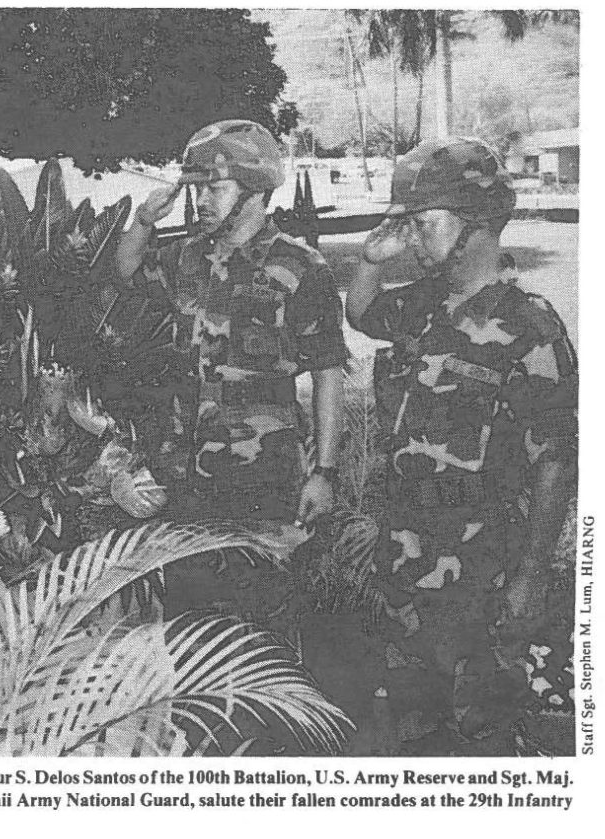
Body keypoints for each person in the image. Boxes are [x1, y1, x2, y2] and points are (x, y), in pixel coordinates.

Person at [346, 138, 578, 750]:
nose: (413, 238)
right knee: (412, 729)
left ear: (474, 224)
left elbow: (555, 462)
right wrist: (371, 258)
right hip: (403, 564)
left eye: (424, 224)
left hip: (485, 577)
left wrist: (530, 583)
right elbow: (362, 314)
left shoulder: (530, 326)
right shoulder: (419, 307)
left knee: (482, 737)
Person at [115, 119, 347, 628]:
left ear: (254, 189)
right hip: (186, 476)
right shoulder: (186, 258)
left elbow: (329, 373)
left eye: (214, 188)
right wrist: (143, 222)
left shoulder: (300, 268)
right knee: (192, 625)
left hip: (264, 480)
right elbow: (127, 271)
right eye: (195, 187)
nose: (200, 199)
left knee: (264, 626)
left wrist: (324, 473)